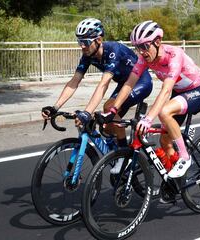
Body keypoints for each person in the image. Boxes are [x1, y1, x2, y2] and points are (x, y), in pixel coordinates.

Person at [41, 18, 153, 173]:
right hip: (124, 84)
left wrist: (87, 112)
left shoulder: (114, 51)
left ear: (99, 40)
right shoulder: (88, 56)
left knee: (108, 107)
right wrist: (55, 107)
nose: (82, 46)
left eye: (85, 41)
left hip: (141, 82)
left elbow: (104, 84)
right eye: (79, 41)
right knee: (105, 124)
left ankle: (122, 155)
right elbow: (74, 81)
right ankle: (120, 149)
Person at [103, 20, 200, 180]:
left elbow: (166, 90)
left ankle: (185, 158)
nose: (142, 52)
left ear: (157, 41)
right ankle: (177, 184)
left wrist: (148, 119)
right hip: (179, 92)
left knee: (164, 112)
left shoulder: (174, 54)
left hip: (197, 91)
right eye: (137, 48)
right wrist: (113, 109)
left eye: (145, 46)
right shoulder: (144, 59)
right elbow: (129, 84)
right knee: (165, 141)